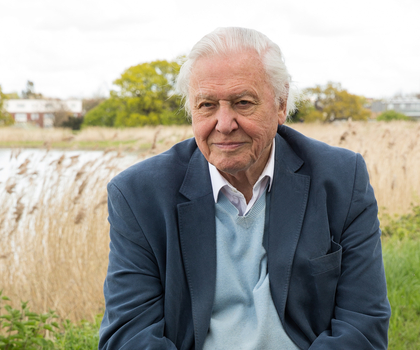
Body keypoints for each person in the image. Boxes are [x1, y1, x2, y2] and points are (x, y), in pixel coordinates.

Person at [98, 27, 390, 350]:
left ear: (280, 105)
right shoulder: (138, 197)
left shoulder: (341, 180)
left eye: (243, 102)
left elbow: (363, 327)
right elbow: (128, 337)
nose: (224, 124)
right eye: (207, 105)